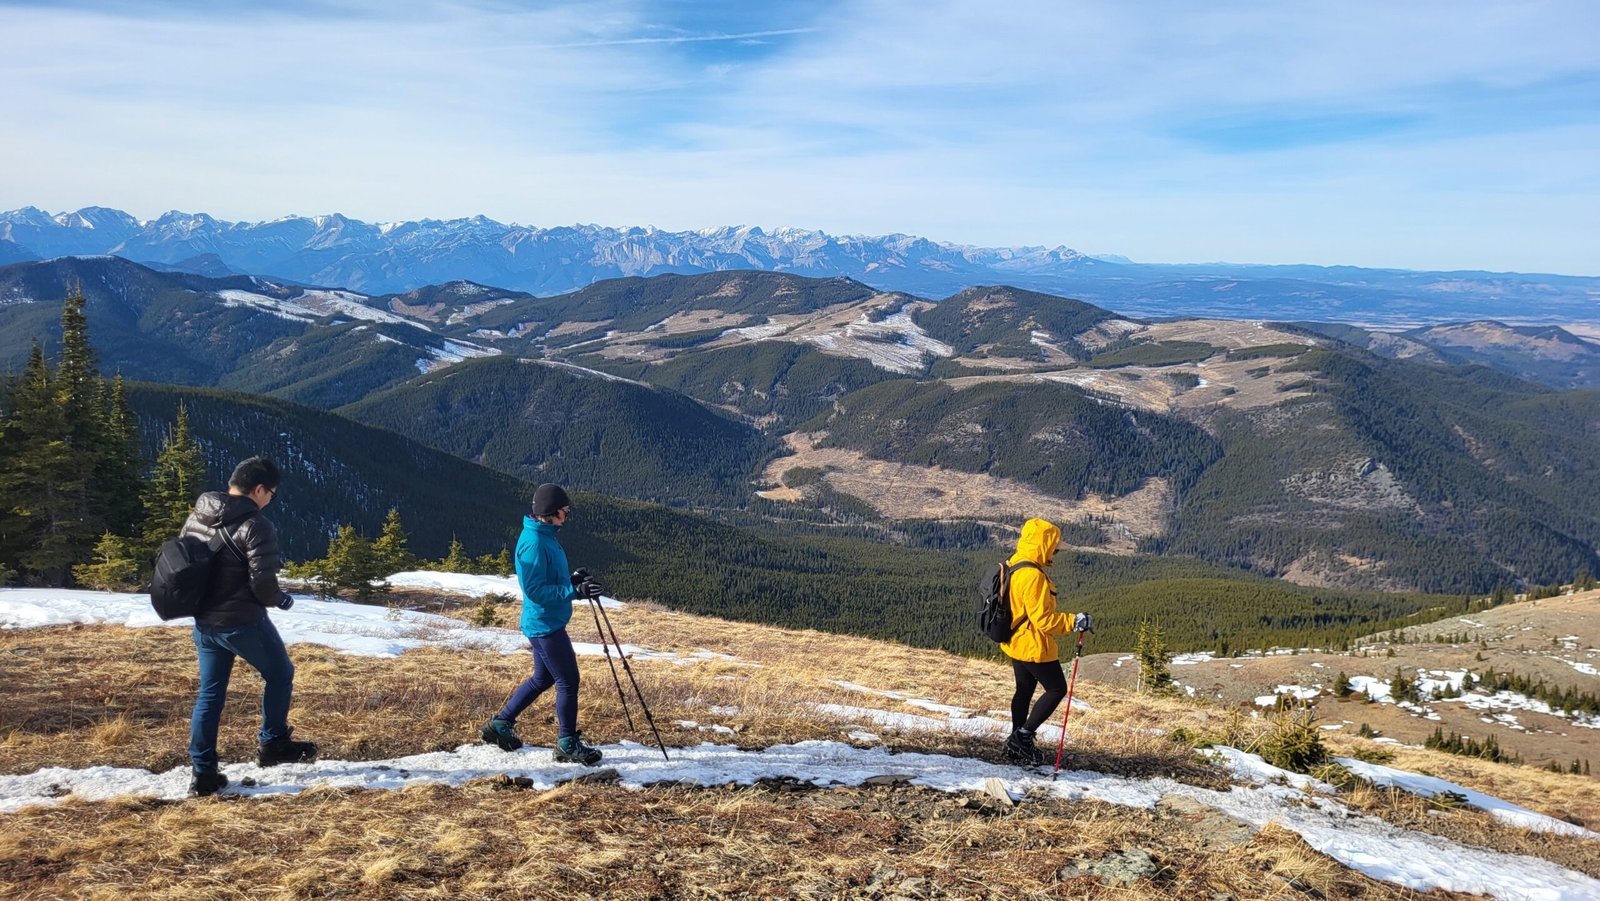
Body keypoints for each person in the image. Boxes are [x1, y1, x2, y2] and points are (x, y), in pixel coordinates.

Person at [183, 457, 317, 797]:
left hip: (205, 622)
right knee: (280, 673)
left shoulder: (200, 513)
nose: (270, 499)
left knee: (210, 695)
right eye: (270, 493)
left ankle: (203, 772)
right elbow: (263, 585)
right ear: (258, 489)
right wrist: (282, 599)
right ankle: (273, 744)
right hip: (242, 622)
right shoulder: (257, 526)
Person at [480, 483, 605, 765]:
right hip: (545, 626)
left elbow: (548, 578)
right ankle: (567, 743)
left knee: (543, 678)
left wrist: (572, 581)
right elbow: (535, 590)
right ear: (551, 512)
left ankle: (500, 724)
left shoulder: (545, 534)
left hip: (546, 622)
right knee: (569, 681)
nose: (567, 515)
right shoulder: (534, 543)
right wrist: (573, 591)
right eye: (565, 510)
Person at [999, 517, 1092, 765]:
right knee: (1056, 689)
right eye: (1054, 545)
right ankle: (1023, 737)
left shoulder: (1015, 562)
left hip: (1014, 640)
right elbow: (1045, 620)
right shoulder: (1034, 576)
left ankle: (1015, 740)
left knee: (1024, 689)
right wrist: (1075, 621)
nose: (1057, 550)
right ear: (1043, 544)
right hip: (1032, 644)